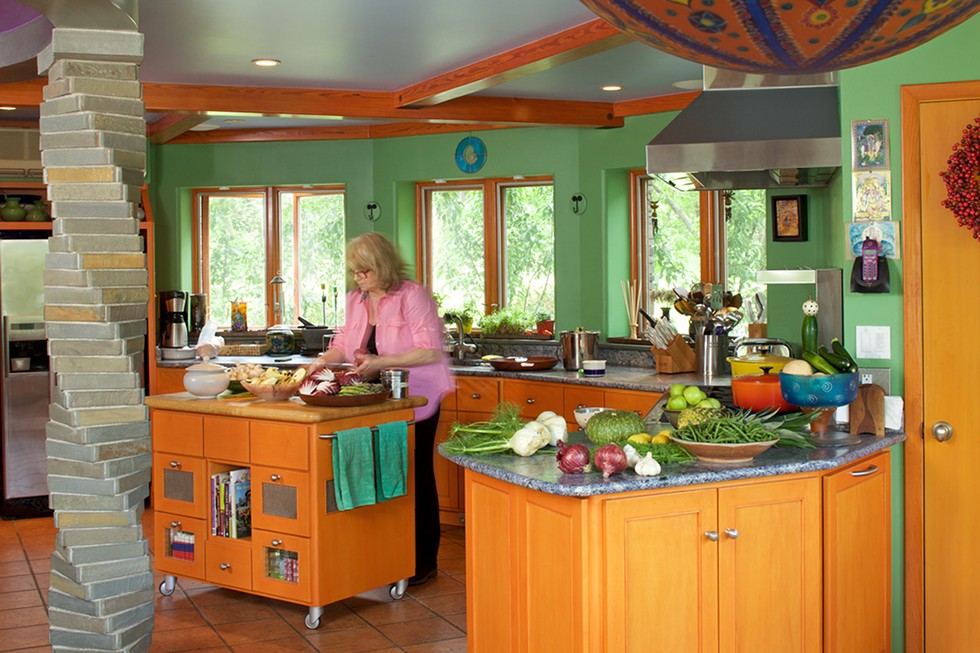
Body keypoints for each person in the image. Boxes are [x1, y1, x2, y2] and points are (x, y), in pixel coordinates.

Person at [310, 232, 452, 586]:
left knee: (415, 475)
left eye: (364, 269)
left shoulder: (412, 296)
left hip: (418, 396)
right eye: (354, 270)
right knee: (384, 475)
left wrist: (380, 361)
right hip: (378, 398)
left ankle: (423, 562)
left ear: (382, 265)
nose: (357, 276)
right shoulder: (356, 300)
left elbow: (429, 349)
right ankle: (387, 556)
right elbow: (343, 343)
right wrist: (316, 363)